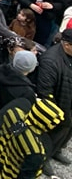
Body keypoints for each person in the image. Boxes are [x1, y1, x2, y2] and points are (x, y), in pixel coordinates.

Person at [36, 27, 72, 167]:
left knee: (67, 130)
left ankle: (56, 150)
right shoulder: (50, 60)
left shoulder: (68, 54)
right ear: (67, 44)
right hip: (58, 104)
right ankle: (43, 158)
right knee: (53, 132)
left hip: (68, 99)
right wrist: (54, 112)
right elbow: (45, 90)